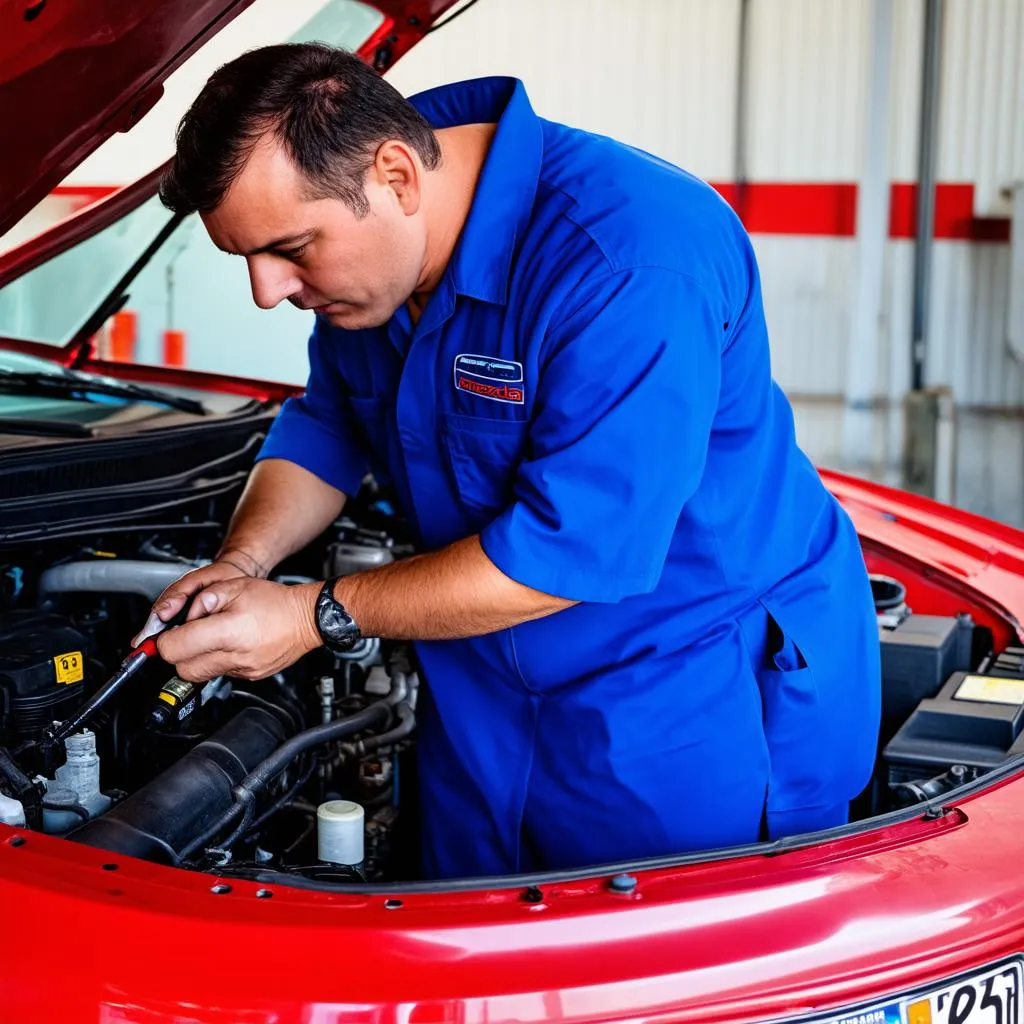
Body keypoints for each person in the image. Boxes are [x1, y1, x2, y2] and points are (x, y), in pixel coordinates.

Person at [138, 42, 881, 879]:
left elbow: (567, 554)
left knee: (651, 984)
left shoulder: (630, 261)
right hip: (477, 684)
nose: (267, 292)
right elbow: (329, 428)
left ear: (396, 175)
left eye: (292, 249)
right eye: (247, 259)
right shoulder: (375, 270)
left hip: (679, 689)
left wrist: (311, 615)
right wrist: (243, 563)